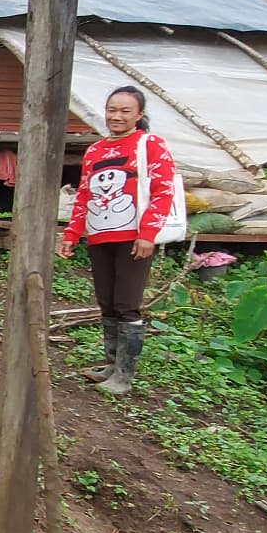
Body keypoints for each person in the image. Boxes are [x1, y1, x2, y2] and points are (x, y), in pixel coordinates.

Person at [59, 86, 177, 395]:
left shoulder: (150, 145)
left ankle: (124, 377)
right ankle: (111, 365)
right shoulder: (95, 150)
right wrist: (72, 233)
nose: (117, 116)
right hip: (100, 235)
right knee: (107, 302)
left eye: (125, 111)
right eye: (112, 109)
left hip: (134, 237)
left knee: (127, 304)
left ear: (139, 115)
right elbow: (84, 194)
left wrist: (148, 234)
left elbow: (164, 192)